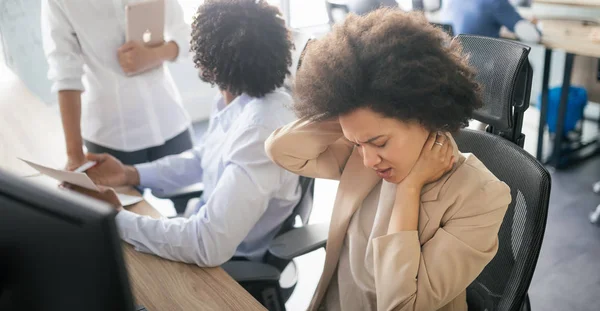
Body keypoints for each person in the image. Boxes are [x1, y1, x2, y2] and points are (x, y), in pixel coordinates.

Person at [266, 9, 511, 311]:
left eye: (379, 142)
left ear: (424, 115)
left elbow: (402, 306)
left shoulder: (480, 196)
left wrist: (409, 189)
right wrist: (350, 108)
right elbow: (281, 149)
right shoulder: (361, 155)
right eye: (358, 144)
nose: (368, 160)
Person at [68, 0, 300, 267]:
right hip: (200, 230)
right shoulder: (236, 100)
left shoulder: (260, 132)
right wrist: (130, 173)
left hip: (228, 263)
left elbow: (206, 244)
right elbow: (205, 157)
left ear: (209, 60)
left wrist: (116, 216)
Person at [41, 0, 193, 169]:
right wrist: (74, 155)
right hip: (111, 138)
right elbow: (65, 74)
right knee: (118, 196)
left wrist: (155, 55)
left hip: (170, 121)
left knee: (193, 192)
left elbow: (185, 33)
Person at [442, 0, 541, 42]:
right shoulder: (496, 2)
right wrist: (532, 26)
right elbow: (533, 36)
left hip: (452, 63)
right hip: (479, 66)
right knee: (525, 67)